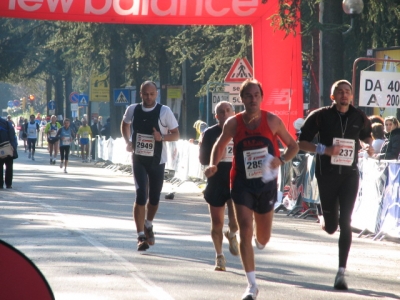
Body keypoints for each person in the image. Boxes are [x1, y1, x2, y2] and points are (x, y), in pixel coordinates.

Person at [204, 79, 299, 300]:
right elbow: (220, 144)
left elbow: (293, 146)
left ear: (261, 97)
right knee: (245, 229)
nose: (253, 99)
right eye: (248, 96)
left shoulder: (272, 121)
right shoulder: (234, 123)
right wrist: (213, 164)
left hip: (266, 183)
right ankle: (252, 285)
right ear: (242, 99)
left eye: (256, 95)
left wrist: (281, 159)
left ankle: (261, 238)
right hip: (241, 183)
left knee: (263, 238)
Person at [298, 79, 373, 290]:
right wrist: (325, 150)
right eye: (339, 92)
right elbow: (301, 142)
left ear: (351, 96)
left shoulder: (359, 116)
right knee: (332, 227)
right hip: (327, 174)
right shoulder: (320, 116)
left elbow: (367, 136)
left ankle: (341, 272)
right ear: (333, 96)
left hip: (349, 175)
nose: (343, 95)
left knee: (346, 221)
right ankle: (324, 215)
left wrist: (369, 146)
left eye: (347, 92)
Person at [121, 80, 180, 251]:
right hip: (138, 158)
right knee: (141, 195)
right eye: (145, 94)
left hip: (157, 160)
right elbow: (125, 124)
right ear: (140, 94)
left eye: (151, 94)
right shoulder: (132, 109)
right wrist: (128, 141)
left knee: (154, 198)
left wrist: (161, 137)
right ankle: (140, 236)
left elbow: (176, 135)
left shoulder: (164, 111)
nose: (148, 97)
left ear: (156, 94)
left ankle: (148, 223)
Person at [199, 101, 239, 271]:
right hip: (216, 182)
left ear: (234, 113)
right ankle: (219, 256)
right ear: (216, 116)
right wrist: (213, 158)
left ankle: (231, 234)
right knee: (217, 223)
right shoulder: (209, 134)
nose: (225, 114)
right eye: (221, 112)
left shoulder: (240, 131)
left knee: (236, 222)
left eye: (228, 111)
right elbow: (202, 160)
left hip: (236, 180)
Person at [0, 116, 18, 189]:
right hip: (8, 147)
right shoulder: (7, 123)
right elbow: (12, 136)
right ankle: (9, 184)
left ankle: (0, 184)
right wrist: (13, 147)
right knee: (9, 166)